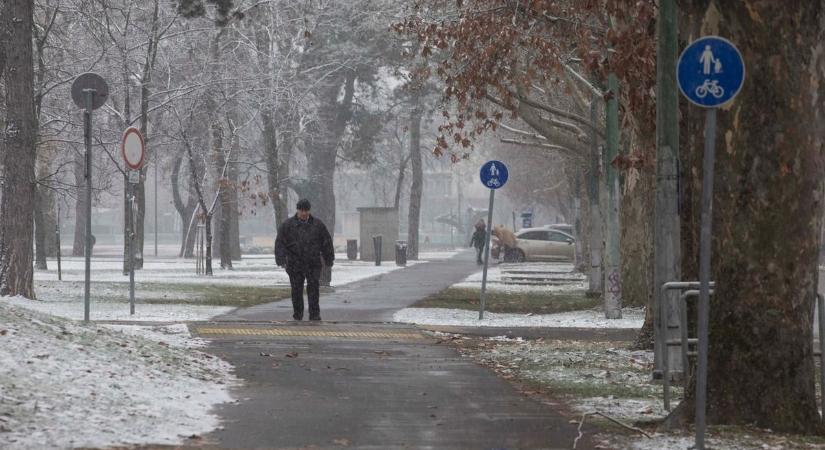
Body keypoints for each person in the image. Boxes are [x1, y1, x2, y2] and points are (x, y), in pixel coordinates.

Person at [275, 199, 334, 321]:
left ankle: (314, 314)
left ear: (309, 210)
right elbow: (280, 243)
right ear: (297, 210)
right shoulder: (287, 226)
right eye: (301, 210)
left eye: (306, 210)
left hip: (313, 263)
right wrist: (280, 259)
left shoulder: (318, 225)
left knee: (313, 289)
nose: (304, 213)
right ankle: (298, 314)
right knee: (296, 290)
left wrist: (329, 258)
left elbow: (326, 242)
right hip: (294, 263)